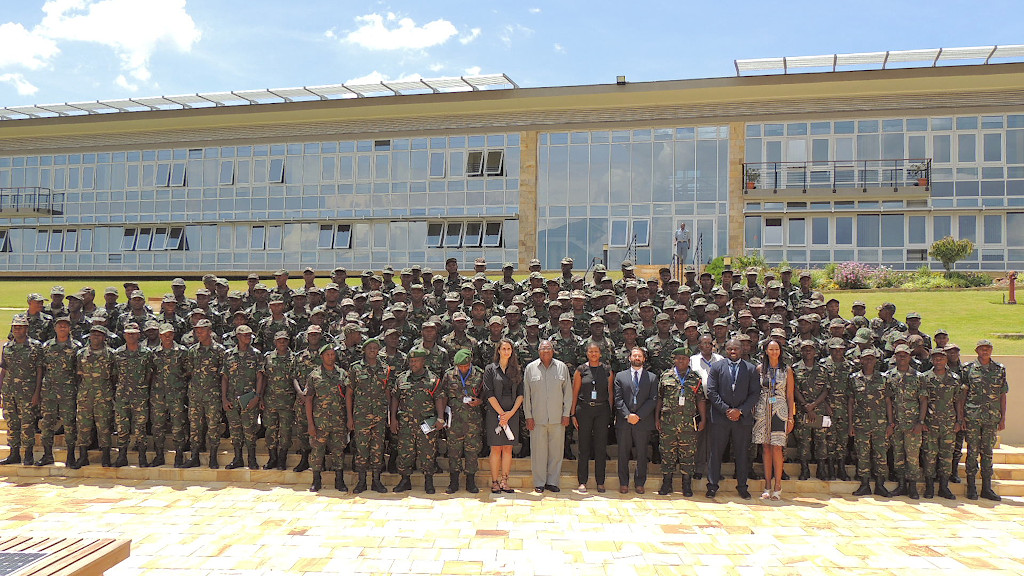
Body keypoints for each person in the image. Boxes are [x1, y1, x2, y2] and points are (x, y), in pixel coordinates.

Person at [705, 339, 760, 499]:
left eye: (736, 349)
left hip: (742, 419)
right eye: (729, 349)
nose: (733, 352)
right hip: (720, 418)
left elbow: (754, 393)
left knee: (742, 453)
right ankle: (712, 486)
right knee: (716, 453)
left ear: (742, 350)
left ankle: (742, 486)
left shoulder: (750, 369)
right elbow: (712, 392)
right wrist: (727, 410)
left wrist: (740, 411)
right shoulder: (716, 367)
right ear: (725, 350)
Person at [390, 346, 445, 494]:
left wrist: (440, 418)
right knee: (405, 453)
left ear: (423, 361)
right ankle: (405, 480)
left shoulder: (432, 379)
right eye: (411, 361)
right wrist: (393, 418)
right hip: (406, 423)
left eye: (416, 361)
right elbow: (395, 398)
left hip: (426, 423)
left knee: (427, 452)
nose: (413, 364)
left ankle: (428, 481)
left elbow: (439, 398)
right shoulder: (402, 378)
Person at [523, 340, 572, 493]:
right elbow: (526, 395)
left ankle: (552, 481)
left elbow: (568, 393)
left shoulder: (562, 368)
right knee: (538, 452)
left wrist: (566, 414)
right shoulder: (530, 368)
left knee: (556, 451)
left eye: (548, 348)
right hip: (537, 419)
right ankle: (539, 482)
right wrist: (528, 416)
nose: (546, 351)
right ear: (538, 351)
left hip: (558, 417)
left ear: (553, 350)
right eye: (543, 349)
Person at [656, 348, 706, 496]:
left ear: (689, 360)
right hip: (668, 422)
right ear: (674, 360)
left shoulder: (695, 378)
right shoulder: (666, 376)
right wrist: (656, 418)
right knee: (667, 453)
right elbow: (659, 398)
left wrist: (703, 419)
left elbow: (700, 399)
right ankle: (667, 484)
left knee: (688, 454)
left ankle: (686, 485)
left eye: (684, 358)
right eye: (678, 358)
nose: (681, 361)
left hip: (688, 424)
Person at [962, 339, 1007, 501]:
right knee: (972, 452)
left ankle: (986, 488)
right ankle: (971, 487)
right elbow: (963, 395)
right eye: (982, 348)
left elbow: (1002, 395)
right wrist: (961, 417)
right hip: (973, 417)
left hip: (991, 417)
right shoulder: (968, 369)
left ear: (992, 350)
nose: (985, 351)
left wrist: (1002, 417)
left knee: (987, 452)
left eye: (988, 348)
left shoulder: (999, 369)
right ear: (977, 351)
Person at [347, 338, 391, 493]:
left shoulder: (385, 369)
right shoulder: (355, 368)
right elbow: (349, 393)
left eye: (375, 348)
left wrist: (389, 417)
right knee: (361, 449)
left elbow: (387, 392)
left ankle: (376, 481)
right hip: (361, 417)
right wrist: (350, 417)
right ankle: (361, 482)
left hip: (379, 417)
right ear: (364, 350)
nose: (373, 351)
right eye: (370, 348)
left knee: (377, 450)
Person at [848, 348, 893, 497]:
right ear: (861, 360)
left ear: (875, 361)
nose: (868, 362)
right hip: (861, 423)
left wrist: (890, 423)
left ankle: (880, 485)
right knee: (862, 454)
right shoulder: (854, 378)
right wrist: (850, 424)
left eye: (871, 359)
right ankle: (864, 484)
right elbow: (851, 401)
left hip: (879, 423)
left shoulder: (883, 378)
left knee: (880, 454)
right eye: (866, 359)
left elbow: (888, 401)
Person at [614, 347, 659, 494]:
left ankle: (640, 482)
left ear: (644, 359)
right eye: (635, 355)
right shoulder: (620, 376)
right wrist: (628, 415)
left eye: (640, 356)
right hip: (624, 421)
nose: (637, 358)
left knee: (641, 453)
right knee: (623, 453)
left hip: (643, 422)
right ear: (629, 358)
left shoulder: (652, 378)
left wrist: (638, 416)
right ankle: (624, 482)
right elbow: (618, 399)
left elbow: (653, 400)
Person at [753, 340, 795, 500]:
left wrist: (791, 417)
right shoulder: (760, 369)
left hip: (780, 411)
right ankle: (767, 486)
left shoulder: (786, 370)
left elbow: (790, 395)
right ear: (766, 351)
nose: (774, 352)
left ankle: (778, 486)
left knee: (777, 447)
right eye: (771, 349)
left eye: (777, 349)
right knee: (765, 448)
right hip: (763, 410)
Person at [439, 348, 484, 494]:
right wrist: (442, 416)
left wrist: (479, 401)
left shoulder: (479, 374)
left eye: (466, 366)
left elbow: (485, 394)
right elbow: (443, 395)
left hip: (473, 421)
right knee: (454, 451)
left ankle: (470, 481)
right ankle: (454, 482)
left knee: (472, 451)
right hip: (455, 421)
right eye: (461, 366)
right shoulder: (449, 375)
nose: (463, 369)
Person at [570, 342, 613, 493]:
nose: (593, 354)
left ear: (600, 353)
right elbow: (575, 392)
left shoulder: (607, 370)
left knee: (601, 447)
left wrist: (610, 413)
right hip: (584, 410)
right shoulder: (581, 370)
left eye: (596, 351)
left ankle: (600, 481)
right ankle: (582, 481)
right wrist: (573, 413)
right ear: (587, 353)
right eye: (591, 351)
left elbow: (610, 393)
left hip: (602, 410)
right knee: (584, 447)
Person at [0, 315, 43, 466]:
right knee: (12, 423)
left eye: (20, 327)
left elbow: (39, 370)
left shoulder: (35, 346)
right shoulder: (7, 347)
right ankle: (14, 454)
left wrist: (37, 392)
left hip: (27, 392)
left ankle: (29, 454)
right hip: (9, 391)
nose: (17, 330)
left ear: (26, 329)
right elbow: (4, 370)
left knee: (27, 423)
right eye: (15, 327)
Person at [306, 344, 349, 493]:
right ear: (322, 357)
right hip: (320, 422)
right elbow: (309, 400)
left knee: (338, 451)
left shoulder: (342, 374)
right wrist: (310, 424)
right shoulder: (314, 375)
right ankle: (316, 480)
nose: (330, 357)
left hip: (338, 420)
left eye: (332, 354)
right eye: (327, 355)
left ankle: (339, 480)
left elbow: (348, 397)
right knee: (317, 451)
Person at [484, 339, 524, 493]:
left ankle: (504, 481)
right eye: (504, 349)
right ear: (498, 351)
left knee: (508, 449)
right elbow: (489, 392)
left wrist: (510, 414)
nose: (507, 351)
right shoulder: (490, 369)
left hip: (511, 414)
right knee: (495, 448)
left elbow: (521, 394)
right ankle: (494, 482)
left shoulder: (517, 370)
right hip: (495, 414)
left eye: (509, 349)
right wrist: (502, 414)